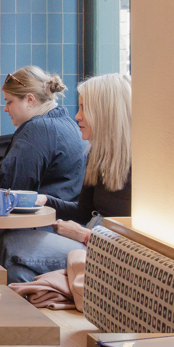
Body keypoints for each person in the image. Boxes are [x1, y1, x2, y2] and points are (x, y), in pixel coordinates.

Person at [0, 65, 87, 282]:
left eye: (9, 101)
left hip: (47, 228)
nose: (5, 109)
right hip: (64, 224)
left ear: (30, 99)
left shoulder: (38, 128)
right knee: (16, 274)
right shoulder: (65, 123)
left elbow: (9, 187)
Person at [43, 72, 131, 243]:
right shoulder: (98, 154)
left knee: (12, 247)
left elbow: (137, 243)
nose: (77, 116)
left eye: (84, 108)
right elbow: (83, 212)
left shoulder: (141, 166)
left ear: (105, 113)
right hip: (94, 238)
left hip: (102, 249)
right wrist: (44, 200)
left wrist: (86, 236)